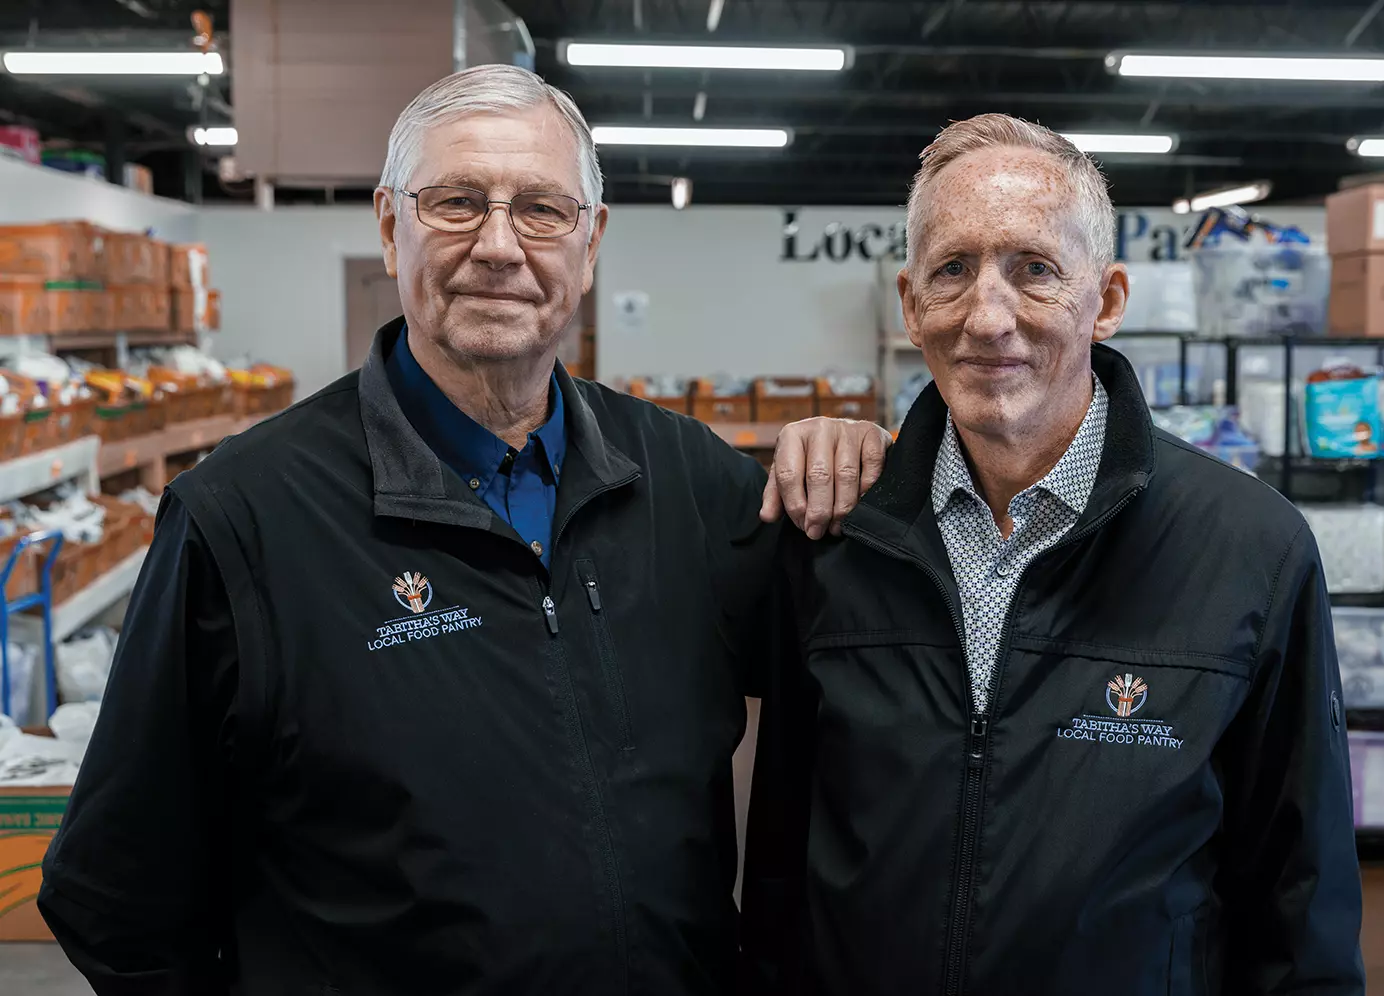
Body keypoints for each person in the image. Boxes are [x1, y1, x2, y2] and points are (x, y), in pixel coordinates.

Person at [38, 65, 889, 995]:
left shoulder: (692, 485)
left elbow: (881, 692)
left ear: (591, 240)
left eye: (540, 209)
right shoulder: (242, 518)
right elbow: (115, 897)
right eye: (455, 202)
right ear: (389, 221)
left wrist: (870, 466)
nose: (497, 246)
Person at [742, 114, 1364, 995]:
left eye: (1034, 269)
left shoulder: (1250, 550)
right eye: (953, 270)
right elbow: (779, 871)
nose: (988, 316)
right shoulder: (838, 536)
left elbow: (1303, 902)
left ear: (1105, 300)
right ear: (912, 303)